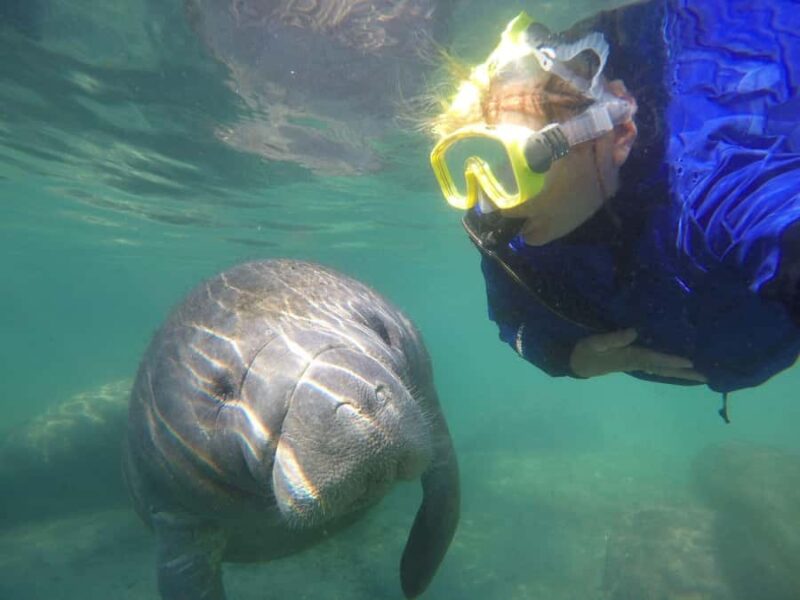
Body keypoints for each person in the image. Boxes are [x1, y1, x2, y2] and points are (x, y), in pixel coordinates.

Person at [427, 0, 800, 420]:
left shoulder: (707, 184)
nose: (491, 198)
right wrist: (567, 360)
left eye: (517, 162)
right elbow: (511, 322)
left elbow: (772, 220)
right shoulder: (506, 227)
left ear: (620, 134)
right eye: (472, 157)